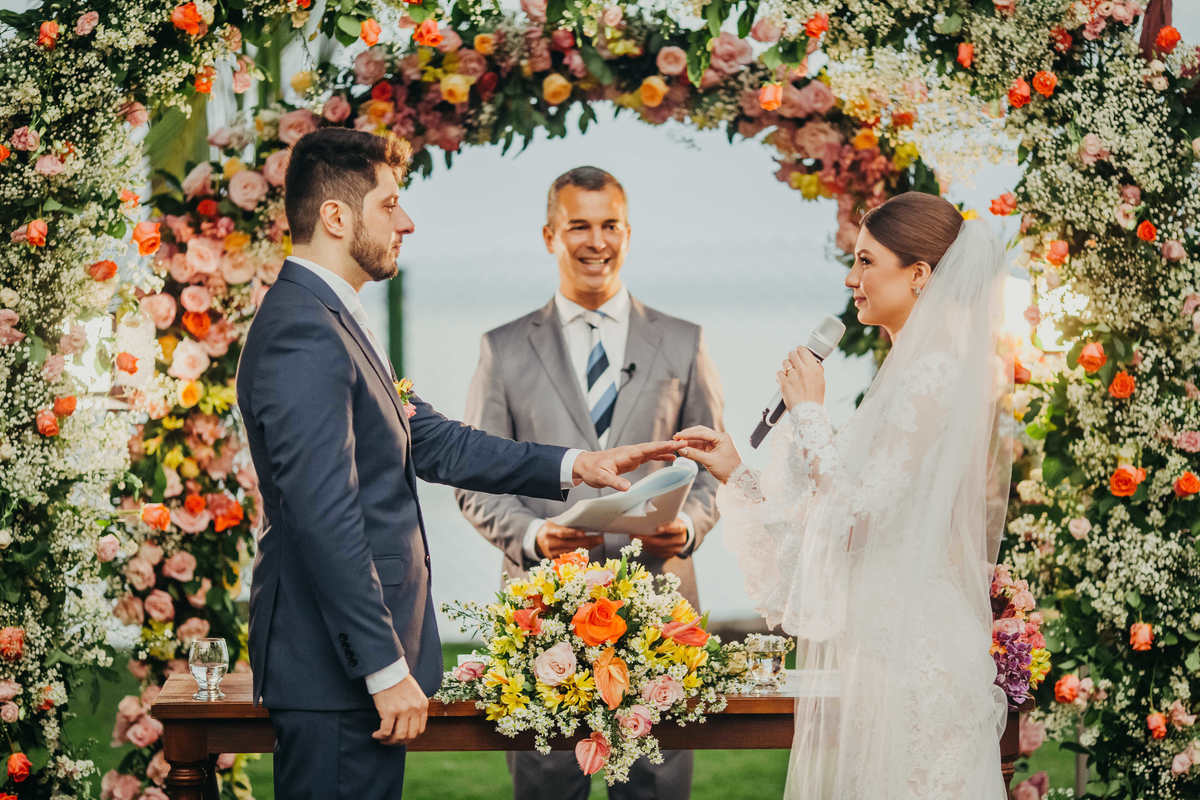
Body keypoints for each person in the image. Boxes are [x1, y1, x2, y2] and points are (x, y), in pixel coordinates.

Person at [236, 129, 681, 800]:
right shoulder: (304, 332)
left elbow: (434, 442)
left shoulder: (332, 317)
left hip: (344, 673)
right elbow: (324, 517)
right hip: (337, 673)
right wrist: (383, 669)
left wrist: (581, 463)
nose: (407, 222)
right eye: (390, 205)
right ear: (335, 216)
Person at [675, 192, 1013, 799]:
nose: (851, 279)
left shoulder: (937, 372)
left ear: (918, 275)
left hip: (913, 647)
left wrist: (808, 412)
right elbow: (834, 519)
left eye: (865, 262)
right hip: (878, 642)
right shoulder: (907, 370)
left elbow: (857, 516)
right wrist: (735, 473)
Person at [455, 166, 724, 800]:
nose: (595, 241)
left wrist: (686, 529)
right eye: (579, 225)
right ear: (550, 234)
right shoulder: (502, 349)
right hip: (541, 614)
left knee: (656, 789)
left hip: (661, 614)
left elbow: (715, 469)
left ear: (628, 233)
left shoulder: (685, 342)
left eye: (609, 225)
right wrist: (530, 533)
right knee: (547, 788)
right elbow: (473, 480)